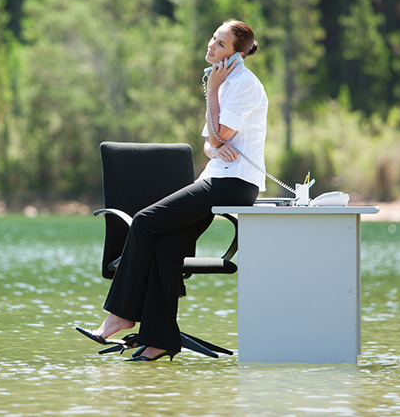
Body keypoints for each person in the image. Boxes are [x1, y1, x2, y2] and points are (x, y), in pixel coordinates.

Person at [76, 19, 268, 361]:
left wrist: (211, 94)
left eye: (221, 44)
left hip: (233, 184)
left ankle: (121, 314)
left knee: (146, 221)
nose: (211, 46)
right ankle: (158, 340)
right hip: (217, 177)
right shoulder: (225, 80)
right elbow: (210, 145)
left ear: (238, 55)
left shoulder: (241, 85)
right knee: (165, 248)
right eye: (213, 38)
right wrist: (214, 141)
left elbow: (218, 136)